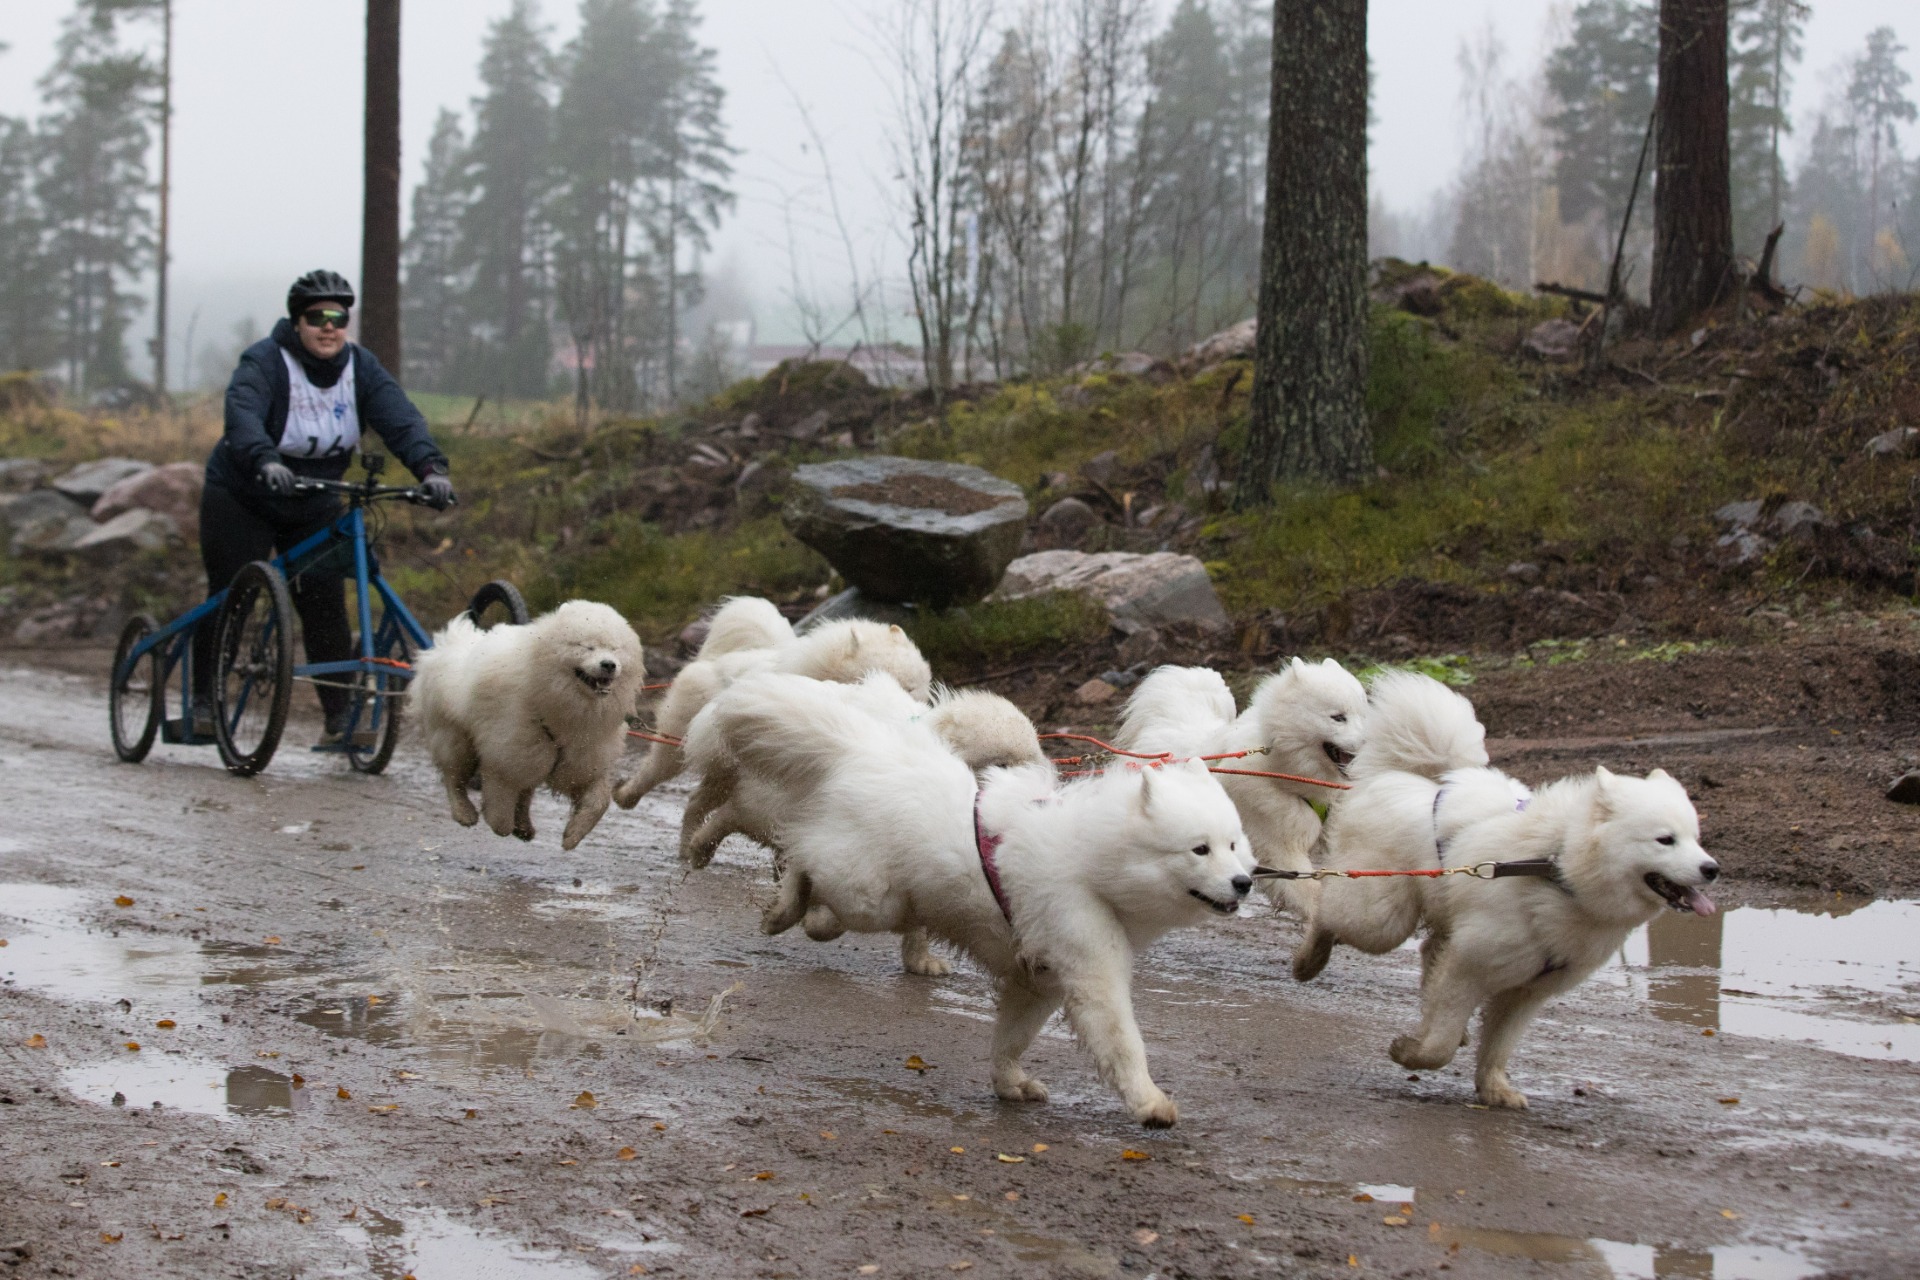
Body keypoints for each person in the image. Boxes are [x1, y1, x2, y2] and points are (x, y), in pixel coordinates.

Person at [195, 269, 456, 744]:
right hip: (245, 494)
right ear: (297, 323)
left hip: (313, 499)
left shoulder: (361, 368)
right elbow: (243, 412)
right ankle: (202, 703)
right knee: (232, 594)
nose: (329, 326)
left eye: (338, 316)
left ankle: (340, 719)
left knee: (324, 604)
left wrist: (431, 471)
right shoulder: (265, 361)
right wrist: (264, 458)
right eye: (317, 317)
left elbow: (400, 419)